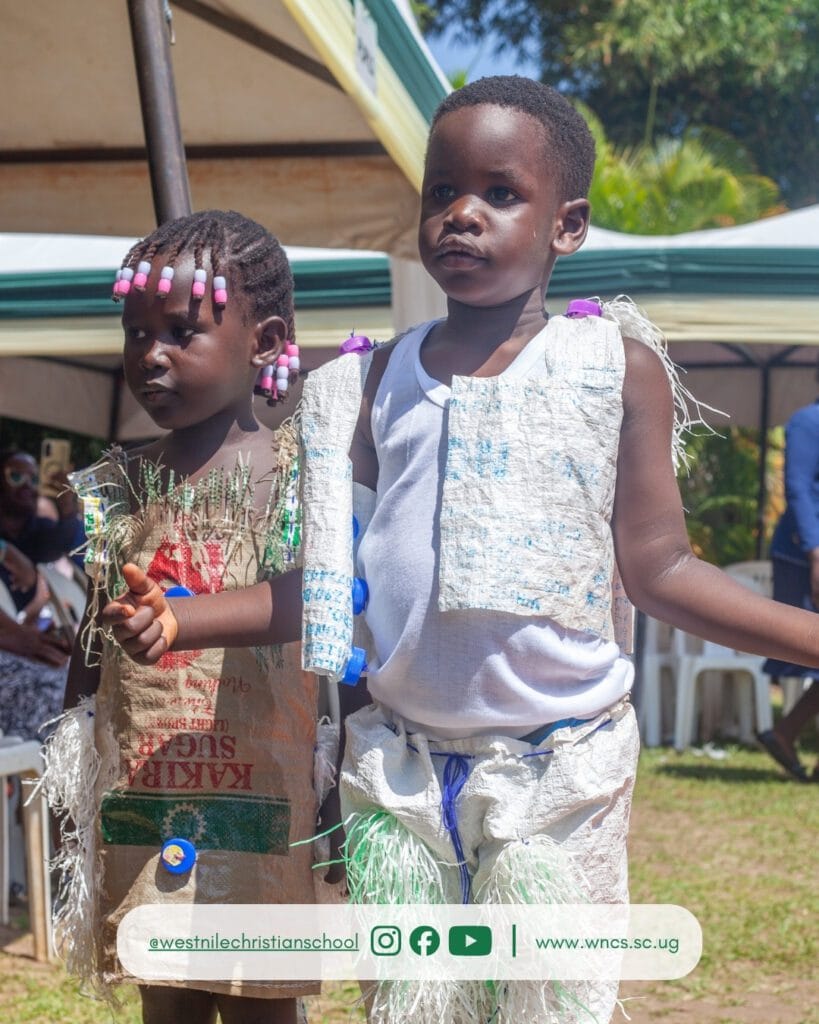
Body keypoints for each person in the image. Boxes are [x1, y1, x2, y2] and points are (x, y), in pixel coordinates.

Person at [102, 78, 819, 1024]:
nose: (461, 214)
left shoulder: (611, 369)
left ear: (567, 225)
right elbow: (330, 588)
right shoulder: (367, 385)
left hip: (560, 773)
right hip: (399, 772)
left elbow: (662, 571)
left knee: (545, 1000)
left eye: (499, 193)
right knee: (417, 1002)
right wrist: (182, 620)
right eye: (441, 191)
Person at [47, 210, 319, 1024]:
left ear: (265, 342)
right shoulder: (119, 486)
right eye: (136, 332)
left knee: (260, 996)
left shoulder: (296, 476)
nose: (150, 354)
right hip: (146, 788)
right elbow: (95, 638)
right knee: (165, 994)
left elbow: (316, 604)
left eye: (179, 331)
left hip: (263, 795)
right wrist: (69, 768)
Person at [760, 400, 819, 781]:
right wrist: (816, 553)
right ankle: (784, 731)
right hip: (804, 557)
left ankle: (784, 732)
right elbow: (797, 489)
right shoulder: (809, 422)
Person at [0, 449, 76, 739]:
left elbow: (64, 543)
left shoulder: (37, 532)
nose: (26, 486)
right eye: (15, 476)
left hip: (21, 640)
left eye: (33, 479)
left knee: (78, 682)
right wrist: (8, 552)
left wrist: (67, 508)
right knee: (58, 696)